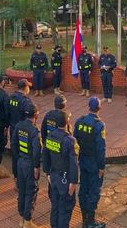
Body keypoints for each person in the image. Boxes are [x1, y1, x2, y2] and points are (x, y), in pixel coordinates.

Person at [74, 97, 107, 228]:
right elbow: (101, 148)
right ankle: (90, 222)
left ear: (88, 107)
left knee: (84, 188)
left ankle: (84, 218)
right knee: (93, 190)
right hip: (94, 162)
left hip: (83, 160)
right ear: (99, 108)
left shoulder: (79, 121)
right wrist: (101, 166)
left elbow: (75, 140)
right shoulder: (99, 125)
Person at [42, 110, 78, 228]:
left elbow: (45, 156)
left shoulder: (49, 137)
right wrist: (73, 182)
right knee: (65, 209)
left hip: (53, 177)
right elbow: (73, 164)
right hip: (65, 179)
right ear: (67, 122)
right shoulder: (69, 141)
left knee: (55, 207)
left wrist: (47, 173)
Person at [12, 102, 42, 228]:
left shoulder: (18, 126)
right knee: (31, 190)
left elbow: (14, 144)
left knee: (22, 189)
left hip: (20, 161)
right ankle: (27, 221)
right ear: (35, 115)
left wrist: (18, 159)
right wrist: (36, 166)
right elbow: (36, 151)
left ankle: (22, 217)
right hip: (30, 164)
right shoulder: (34, 131)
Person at [8, 79, 32, 181]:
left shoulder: (10, 97)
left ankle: (16, 177)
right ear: (26, 88)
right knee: (24, 153)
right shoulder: (25, 101)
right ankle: (23, 178)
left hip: (13, 128)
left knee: (15, 153)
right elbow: (29, 117)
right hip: (23, 131)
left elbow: (7, 112)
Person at [0, 76, 11, 179]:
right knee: (0, 146)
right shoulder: (3, 95)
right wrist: (6, 125)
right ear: (2, 82)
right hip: (0, 124)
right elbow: (6, 112)